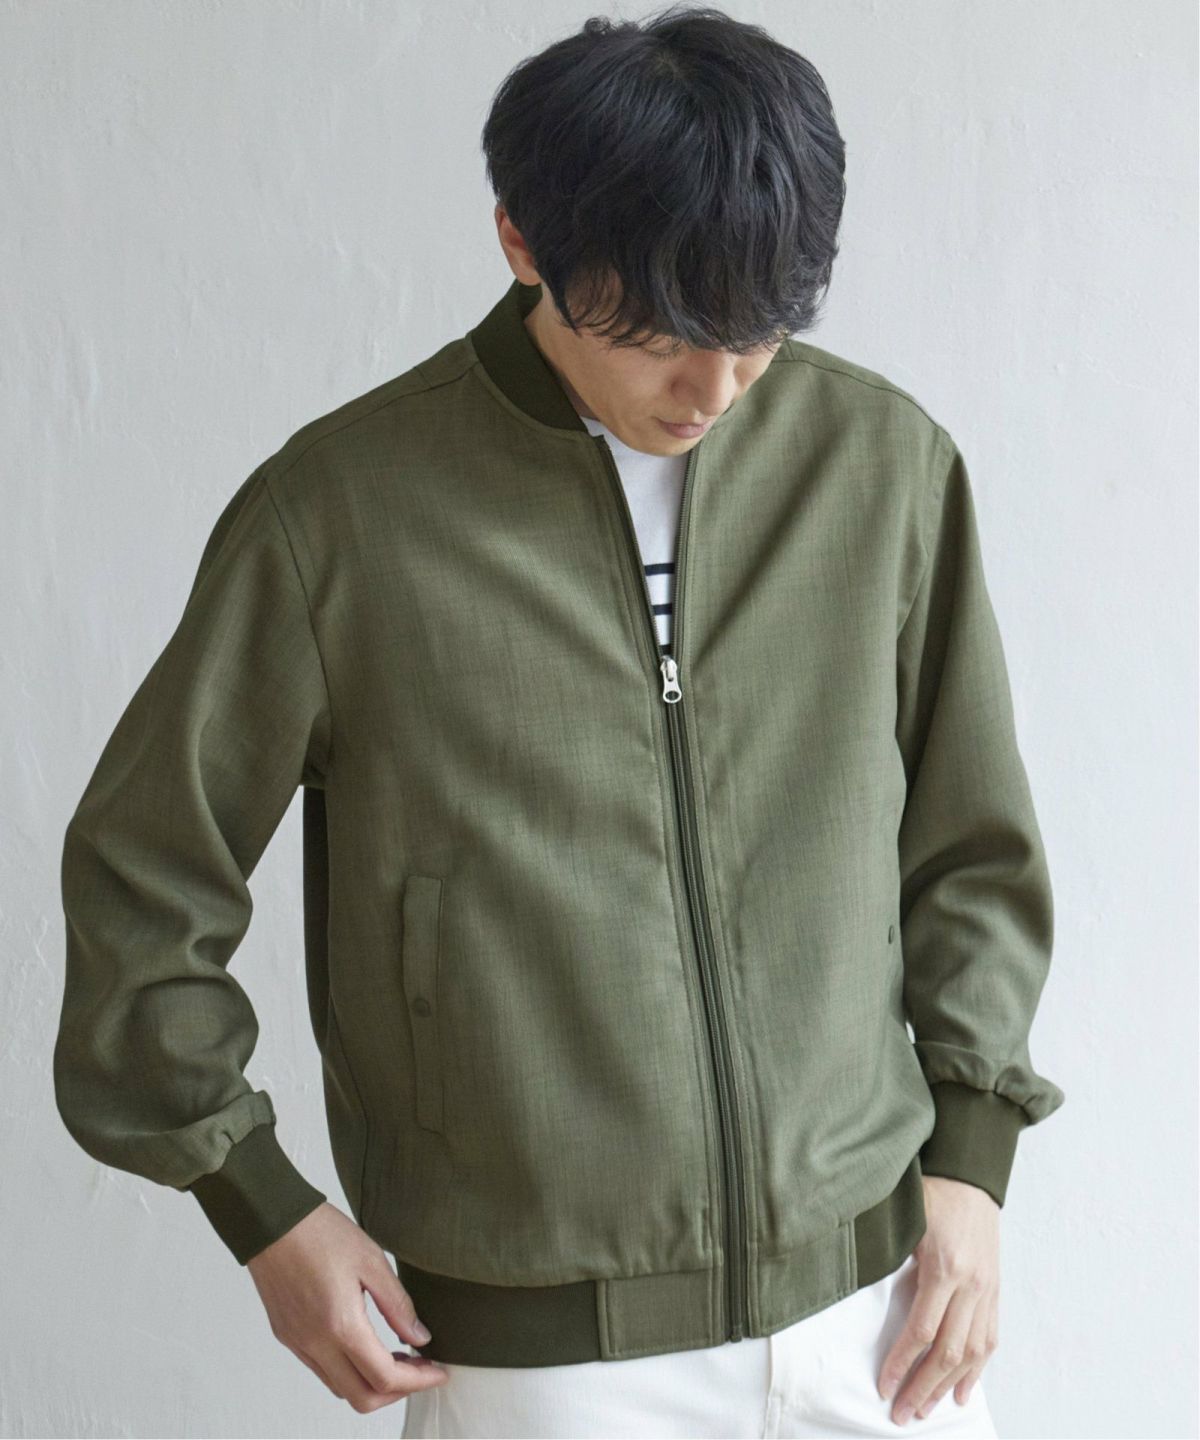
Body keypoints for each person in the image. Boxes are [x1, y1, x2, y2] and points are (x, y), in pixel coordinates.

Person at [53, 5, 1065, 1437]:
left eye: (758, 336)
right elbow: (143, 877)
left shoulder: (881, 466)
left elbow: (972, 846)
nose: (712, 391)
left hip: (880, 1321)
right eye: (659, 337)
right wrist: (260, 1206)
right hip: (544, 1367)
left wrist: (971, 1160)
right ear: (523, 243)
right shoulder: (338, 517)